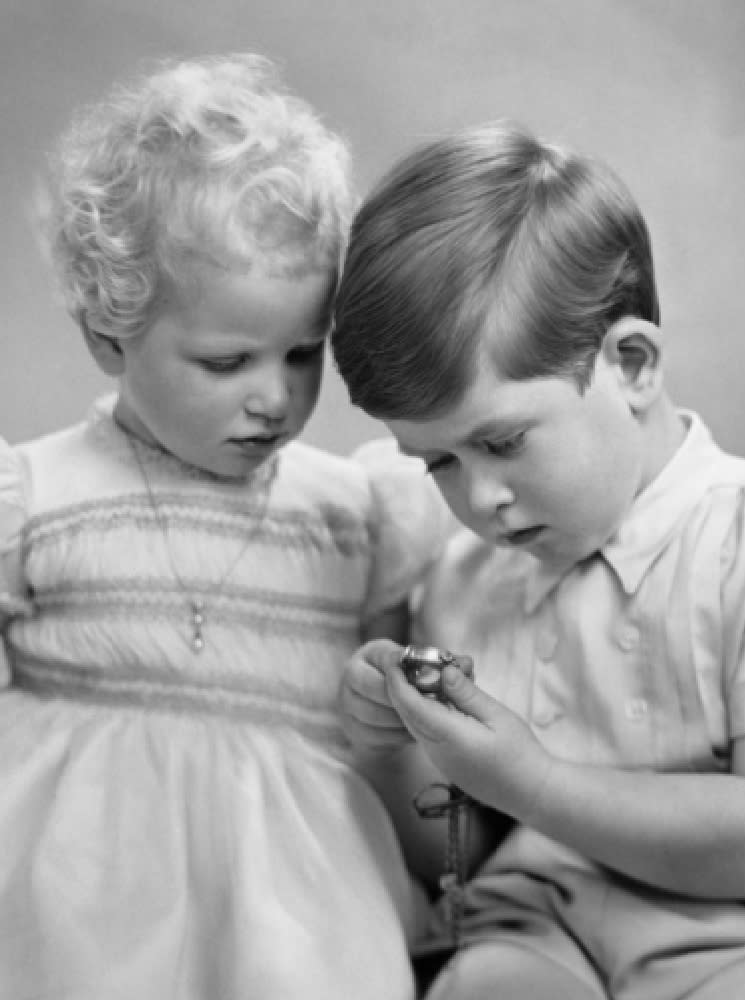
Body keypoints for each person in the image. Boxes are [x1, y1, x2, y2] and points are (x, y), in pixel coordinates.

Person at [0, 53, 449, 1000]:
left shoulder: (355, 518)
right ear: (108, 333)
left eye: (302, 353)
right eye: (227, 360)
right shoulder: (33, 498)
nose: (275, 397)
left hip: (289, 913)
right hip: (76, 898)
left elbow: (389, 737)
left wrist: (434, 860)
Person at [331, 120, 745, 999]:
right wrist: (390, 750)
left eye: (502, 441)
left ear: (630, 365)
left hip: (740, 935)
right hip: (532, 928)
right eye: (437, 462)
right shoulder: (465, 575)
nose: (479, 501)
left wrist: (537, 781)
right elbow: (455, 859)